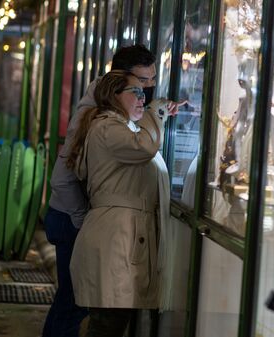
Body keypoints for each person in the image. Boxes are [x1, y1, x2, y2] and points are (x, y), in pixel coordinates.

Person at [42, 44, 182, 337]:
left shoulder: (120, 112)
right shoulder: (99, 116)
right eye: (142, 82)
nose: (151, 86)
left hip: (89, 219)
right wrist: (86, 219)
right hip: (71, 216)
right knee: (77, 305)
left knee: (87, 306)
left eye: (153, 79)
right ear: (120, 80)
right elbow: (63, 178)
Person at [66, 70, 170, 336]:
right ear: (113, 97)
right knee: (107, 325)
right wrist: (155, 113)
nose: (141, 99)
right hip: (116, 241)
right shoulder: (108, 127)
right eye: (134, 92)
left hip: (119, 239)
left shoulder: (115, 126)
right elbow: (144, 148)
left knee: (109, 323)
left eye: (143, 93)